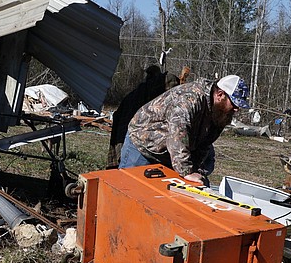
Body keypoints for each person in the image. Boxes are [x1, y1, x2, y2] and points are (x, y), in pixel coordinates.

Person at [119, 74, 249, 185]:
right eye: (234, 103)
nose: (236, 109)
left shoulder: (220, 112)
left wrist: (196, 168)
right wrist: (187, 171)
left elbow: (205, 143)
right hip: (143, 145)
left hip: (170, 155)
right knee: (127, 190)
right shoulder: (189, 99)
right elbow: (177, 134)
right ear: (220, 94)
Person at [107, 66, 180, 168]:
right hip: (133, 138)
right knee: (129, 174)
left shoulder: (148, 94)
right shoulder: (144, 96)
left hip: (136, 138)